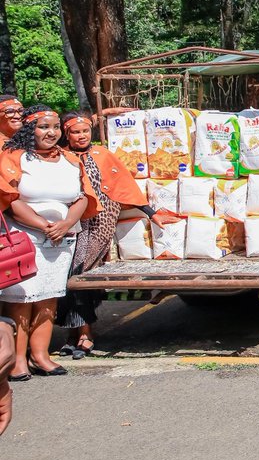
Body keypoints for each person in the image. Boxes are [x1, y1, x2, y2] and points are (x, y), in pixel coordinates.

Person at [56, 112, 180, 357]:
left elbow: (123, 185)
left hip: (100, 223)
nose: (81, 136)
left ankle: (84, 334)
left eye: (84, 131)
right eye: (75, 132)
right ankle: (76, 333)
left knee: (78, 274)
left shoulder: (102, 154)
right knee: (68, 277)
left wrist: (151, 213)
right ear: (66, 134)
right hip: (69, 222)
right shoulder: (61, 157)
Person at [0, 105, 98, 379]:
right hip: (25, 236)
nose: (51, 132)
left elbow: (83, 197)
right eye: (44, 127)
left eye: (55, 127)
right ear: (31, 128)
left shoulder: (69, 159)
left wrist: (65, 224)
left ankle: (41, 355)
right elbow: (10, 197)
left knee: (49, 297)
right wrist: (43, 225)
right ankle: (18, 360)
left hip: (61, 239)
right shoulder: (14, 157)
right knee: (21, 299)